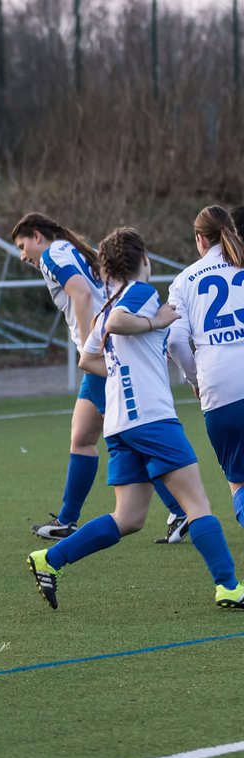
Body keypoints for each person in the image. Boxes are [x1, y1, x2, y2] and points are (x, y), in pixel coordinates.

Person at [26, 227, 244, 610]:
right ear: (144, 259)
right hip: (152, 418)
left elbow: (86, 358)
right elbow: (119, 326)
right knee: (198, 504)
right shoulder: (140, 294)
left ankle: (51, 559)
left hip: (121, 424)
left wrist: (125, 372)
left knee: (128, 517)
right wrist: (154, 324)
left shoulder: (106, 306)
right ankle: (228, 587)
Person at [11, 212, 188, 544]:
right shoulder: (70, 249)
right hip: (105, 353)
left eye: (23, 246)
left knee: (129, 438)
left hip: (102, 355)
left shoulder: (52, 254)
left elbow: (80, 293)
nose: (23, 256)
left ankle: (180, 509)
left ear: (37, 236)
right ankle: (68, 519)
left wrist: (88, 342)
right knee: (82, 436)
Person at [167, 206, 244, 572]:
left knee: (239, 483)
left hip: (222, 389)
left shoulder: (184, 280)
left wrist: (196, 380)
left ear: (200, 239)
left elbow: (176, 342)